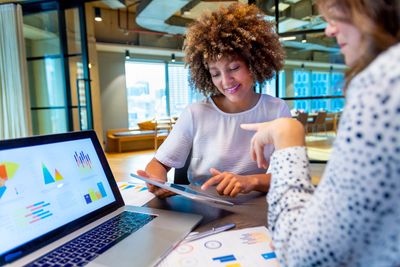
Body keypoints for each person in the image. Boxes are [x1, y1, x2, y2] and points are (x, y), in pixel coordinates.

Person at [241, 0, 400, 266]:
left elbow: (304, 254)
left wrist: (286, 135)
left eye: (337, 13)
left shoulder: (383, 84)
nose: (329, 30)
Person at [137, 3, 290, 198]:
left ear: (255, 64)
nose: (225, 81)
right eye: (215, 73)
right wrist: (157, 180)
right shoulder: (196, 113)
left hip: (259, 208)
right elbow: (158, 163)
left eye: (234, 68)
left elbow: (287, 176)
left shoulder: (276, 110)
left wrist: (250, 181)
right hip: (202, 207)